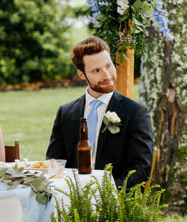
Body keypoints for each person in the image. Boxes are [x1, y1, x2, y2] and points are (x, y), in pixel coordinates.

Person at [46, 37, 154, 188]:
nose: (107, 75)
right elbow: (54, 162)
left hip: (113, 196)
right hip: (71, 195)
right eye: (97, 70)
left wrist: (108, 195)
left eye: (109, 66)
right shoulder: (65, 113)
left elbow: (141, 168)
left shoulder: (135, 113)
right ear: (82, 74)